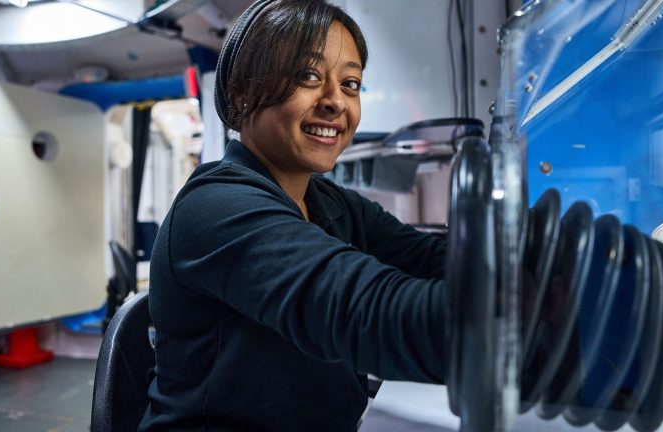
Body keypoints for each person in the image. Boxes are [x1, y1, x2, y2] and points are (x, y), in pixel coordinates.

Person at [139, 1, 446, 430]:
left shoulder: (329, 202)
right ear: (243, 92)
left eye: (351, 83)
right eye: (308, 76)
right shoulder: (215, 208)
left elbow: (428, 257)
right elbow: (367, 312)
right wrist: (520, 324)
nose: (336, 102)